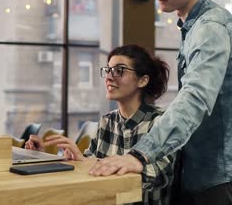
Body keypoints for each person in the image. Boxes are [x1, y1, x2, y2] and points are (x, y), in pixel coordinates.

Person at [88, 0, 232, 204]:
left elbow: (195, 99)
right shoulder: (194, 27)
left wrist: (140, 155)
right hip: (205, 174)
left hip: (223, 177)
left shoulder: (211, 28)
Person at [26, 44, 175, 205]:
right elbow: (90, 170)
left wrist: (102, 165)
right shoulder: (107, 122)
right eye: (108, 70)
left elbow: (161, 175)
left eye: (119, 71)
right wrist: (52, 157)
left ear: (142, 80)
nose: (109, 77)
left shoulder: (160, 122)